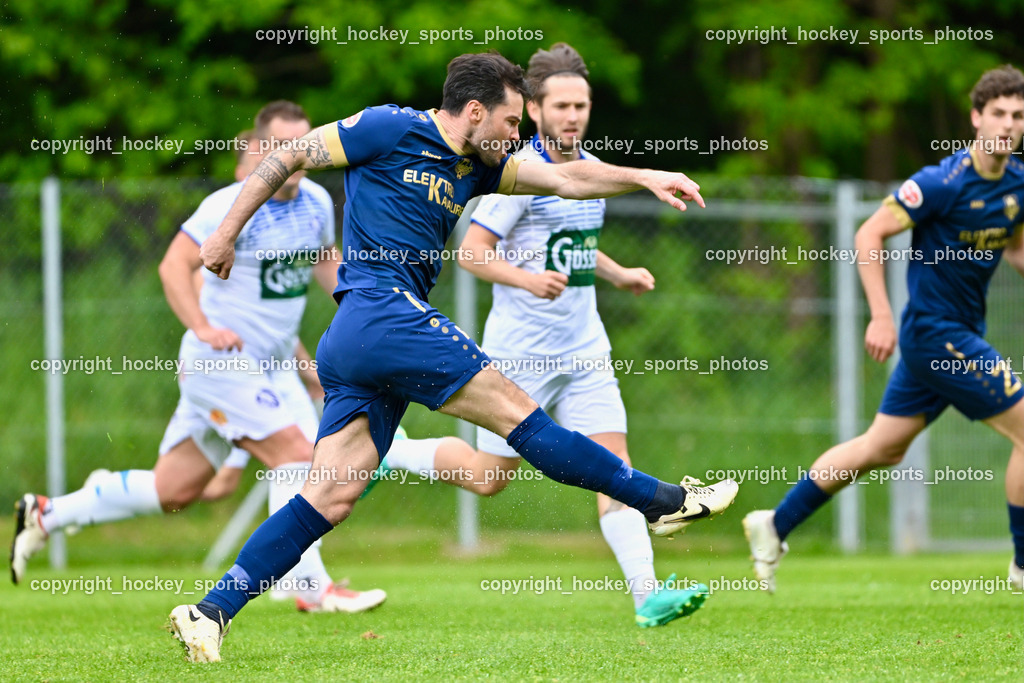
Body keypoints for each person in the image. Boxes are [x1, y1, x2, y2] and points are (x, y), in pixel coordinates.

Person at [170, 51, 739, 663]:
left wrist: (648, 177)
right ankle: (664, 502)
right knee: (521, 415)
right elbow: (287, 156)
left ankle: (209, 612)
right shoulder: (389, 127)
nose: (519, 135)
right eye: (513, 121)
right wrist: (224, 232)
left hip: (363, 337)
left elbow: (570, 179)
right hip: (380, 313)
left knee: (330, 497)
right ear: (474, 111)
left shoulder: (478, 167)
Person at [372, 43, 705, 628]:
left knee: (616, 464)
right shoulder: (517, 173)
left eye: (583, 105)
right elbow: (473, 254)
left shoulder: (591, 170)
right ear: (536, 109)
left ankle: (648, 596)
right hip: (522, 352)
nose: (573, 116)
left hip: (584, 347)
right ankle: (391, 453)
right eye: (561, 106)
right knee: (486, 479)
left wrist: (616, 271)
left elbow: (573, 245)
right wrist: (525, 278)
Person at [11, 107, 386, 613]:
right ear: (260, 148)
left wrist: (359, 307)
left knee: (176, 489)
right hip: (221, 365)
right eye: (285, 146)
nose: (299, 158)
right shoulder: (229, 205)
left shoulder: (316, 201)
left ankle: (48, 513)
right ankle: (310, 589)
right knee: (299, 460)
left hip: (272, 368)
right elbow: (174, 265)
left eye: (306, 145)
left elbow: (322, 263)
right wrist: (204, 329)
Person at [743, 64, 1024, 594]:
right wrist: (881, 313)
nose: (1008, 125)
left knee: (881, 448)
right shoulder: (941, 183)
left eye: (1018, 116)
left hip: (958, 335)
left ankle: (773, 525)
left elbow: (1015, 247)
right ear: (976, 118)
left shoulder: (1017, 185)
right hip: (934, 335)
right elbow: (869, 233)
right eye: (999, 114)